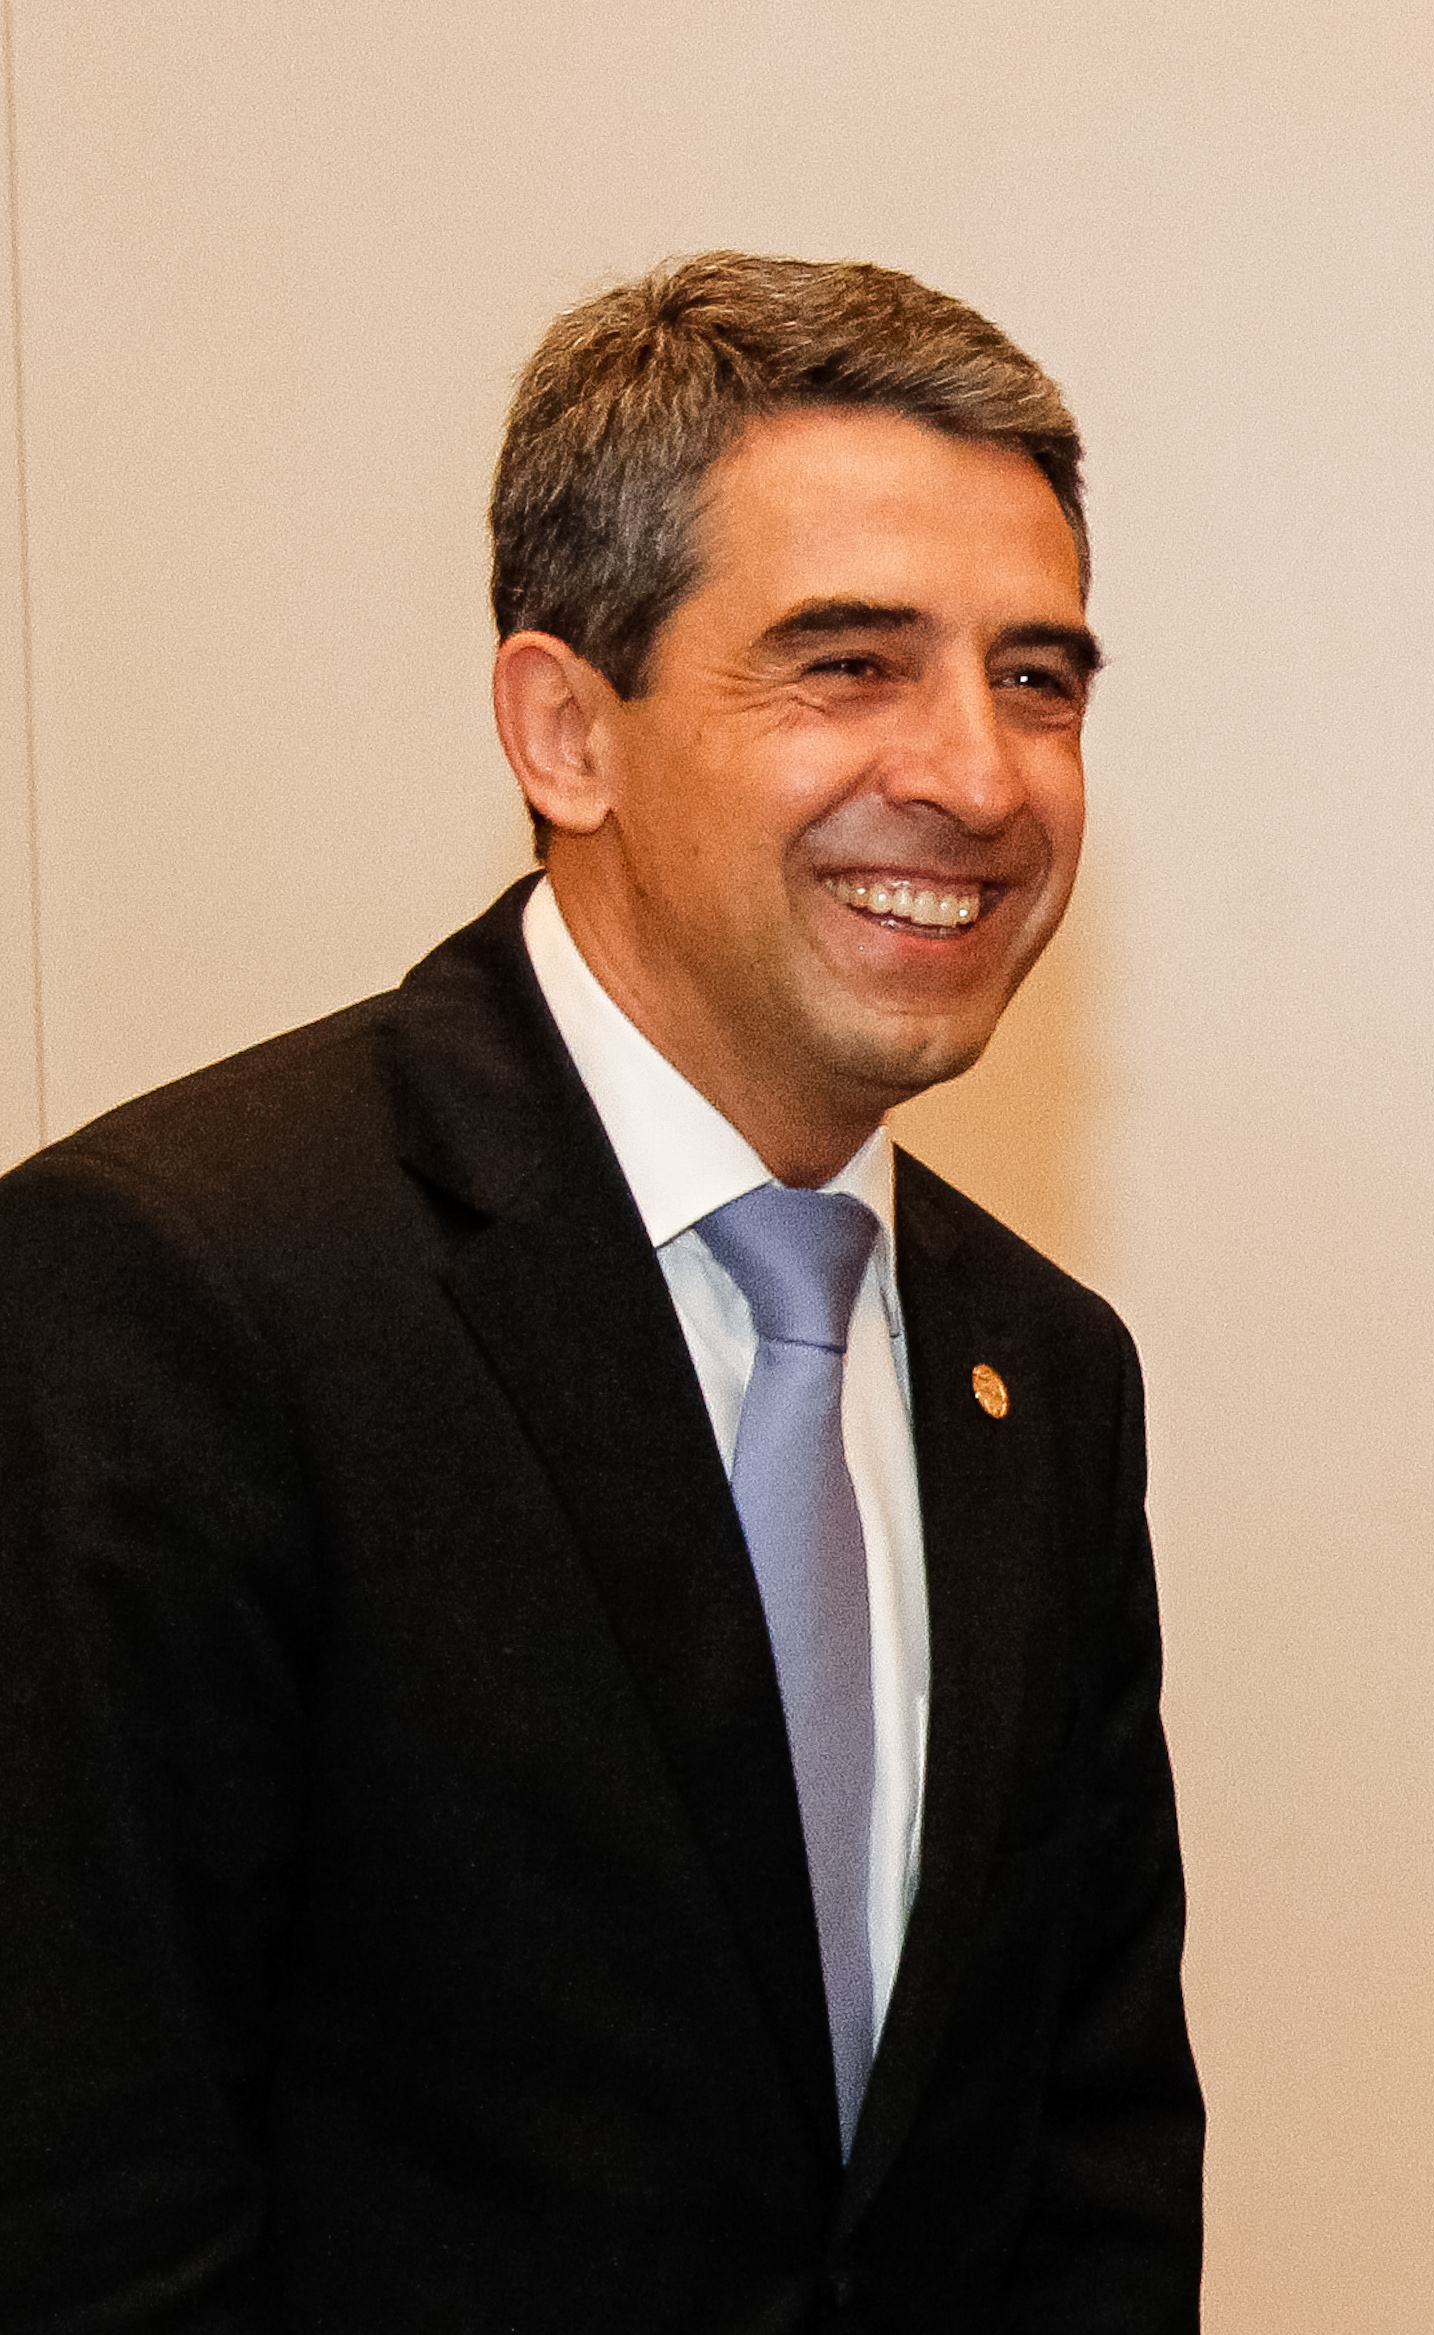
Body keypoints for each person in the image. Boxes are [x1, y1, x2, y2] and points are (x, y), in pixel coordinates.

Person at [0, 255, 1201, 2330]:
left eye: (1037, 678)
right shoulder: (168, 1295)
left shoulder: (1044, 1372)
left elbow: (1088, 2176)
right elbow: (80, 2206)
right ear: (569, 726)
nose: (981, 779)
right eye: (847, 663)